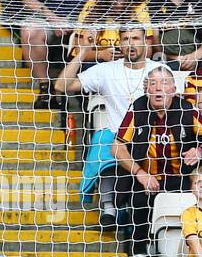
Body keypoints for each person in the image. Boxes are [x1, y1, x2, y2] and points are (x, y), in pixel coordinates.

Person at [55, 25, 162, 224]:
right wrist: (84, 51)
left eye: (136, 38)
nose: (131, 44)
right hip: (117, 136)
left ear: (145, 42)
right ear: (119, 43)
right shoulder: (107, 70)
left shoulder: (158, 71)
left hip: (151, 136)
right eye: (126, 39)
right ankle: (108, 206)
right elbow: (61, 86)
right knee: (103, 140)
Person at [112, 64, 202, 257]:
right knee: (139, 199)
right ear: (146, 89)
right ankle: (140, 254)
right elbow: (116, 147)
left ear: (174, 90)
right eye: (153, 83)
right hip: (148, 178)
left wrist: (200, 151)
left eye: (164, 83)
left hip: (181, 177)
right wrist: (139, 173)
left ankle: (194, 254)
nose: (158, 88)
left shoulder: (186, 110)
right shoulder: (137, 110)